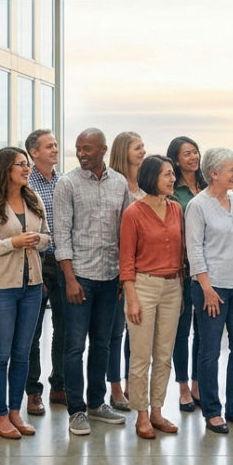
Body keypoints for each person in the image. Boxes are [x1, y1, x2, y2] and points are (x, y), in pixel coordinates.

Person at [52, 128, 136, 437]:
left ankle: (97, 403)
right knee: (74, 346)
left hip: (111, 277)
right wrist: (70, 279)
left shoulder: (119, 184)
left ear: (103, 149)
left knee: (102, 343)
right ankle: (76, 410)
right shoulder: (68, 183)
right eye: (78, 149)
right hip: (79, 278)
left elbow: (126, 231)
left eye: (87, 148)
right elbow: (61, 233)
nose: (81, 154)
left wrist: (124, 276)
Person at [0, 147, 50, 440]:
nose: (27, 169)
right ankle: (1, 416)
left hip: (31, 287)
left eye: (27, 164)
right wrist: (13, 243)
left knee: (22, 354)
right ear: (5, 169)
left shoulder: (33, 198)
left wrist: (36, 240)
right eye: (21, 164)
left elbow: (46, 237)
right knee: (1, 354)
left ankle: (16, 412)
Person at [187, 148, 233, 434]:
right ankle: (212, 411)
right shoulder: (198, 205)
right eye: (231, 169)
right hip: (212, 288)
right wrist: (206, 288)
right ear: (214, 173)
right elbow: (194, 250)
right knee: (209, 351)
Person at [120, 155, 184, 439]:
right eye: (167, 175)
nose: (172, 179)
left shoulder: (176, 209)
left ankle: (157, 411)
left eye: (172, 174)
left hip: (173, 286)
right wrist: (131, 298)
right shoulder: (133, 212)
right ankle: (142, 415)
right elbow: (126, 262)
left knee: (164, 354)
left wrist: (180, 290)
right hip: (143, 287)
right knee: (141, 355)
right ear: (151, 178)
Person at [23, 129, 65, 414]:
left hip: (63, 263)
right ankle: (32, 391)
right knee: (33, 331)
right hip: (36, 263)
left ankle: (59, 385)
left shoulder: (64, 182)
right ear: (33, 152)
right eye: (48, 146)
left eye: (56, 145)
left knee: (65, 328)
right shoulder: (24, 184)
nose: (55, 149)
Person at [107, 131, 147, 410]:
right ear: (123, 152)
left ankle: (134, 382)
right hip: (118, 267)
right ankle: (115, 387)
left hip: (144, 269)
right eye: (137, 147)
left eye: (143, 146)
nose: (143, 151)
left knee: (137, 331)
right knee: (115, 333)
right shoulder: (114, 184)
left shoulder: (146, 186)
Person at [166, 135, 205, 412]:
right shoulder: (171, 191)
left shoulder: (207, 186)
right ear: (176, 159)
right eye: (187, 153)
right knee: (181, 330)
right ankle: (181, 387)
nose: (193, 157)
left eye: (195, 152)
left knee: (203, 329)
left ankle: (197, 384)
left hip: (205, 268)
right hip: (180, 267)